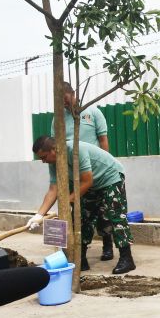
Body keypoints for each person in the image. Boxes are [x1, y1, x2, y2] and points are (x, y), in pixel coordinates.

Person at [27, 136, 136, 275]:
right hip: (89, 184)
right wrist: (38, 215)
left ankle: (127, 258)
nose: (43, 161)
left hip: (110, 177)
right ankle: (80, 259)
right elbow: (53, 190)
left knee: (115, 216)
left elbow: (87, 181)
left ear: (54, 150)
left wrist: (67, 202)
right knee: (82, 217)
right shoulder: (53, 162)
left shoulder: (76, 150)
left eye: (44, 157)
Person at [51, 81, 114, 262]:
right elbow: (55, 146)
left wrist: (105, 162)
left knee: (104, 212)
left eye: (65, 99)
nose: (63, 103)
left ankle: (107, 244)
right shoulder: (58, 119)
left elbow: (103, 140)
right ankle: (80, 250)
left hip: (96, 172)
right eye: (60, 101)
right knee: (79, 214)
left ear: (73, 93)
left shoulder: (93, 113)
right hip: (74, 174)